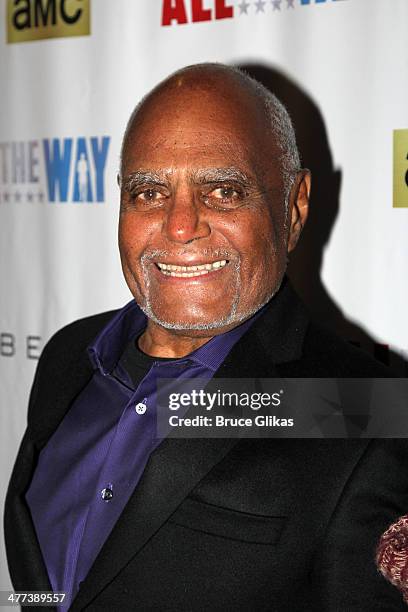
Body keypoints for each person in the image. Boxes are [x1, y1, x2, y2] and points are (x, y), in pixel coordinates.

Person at [5, 63, 408, 611]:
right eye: (149, 191)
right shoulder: (69, 357)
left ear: (293, 208)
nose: (179, 225)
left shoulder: (370, 411)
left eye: (223, 190)